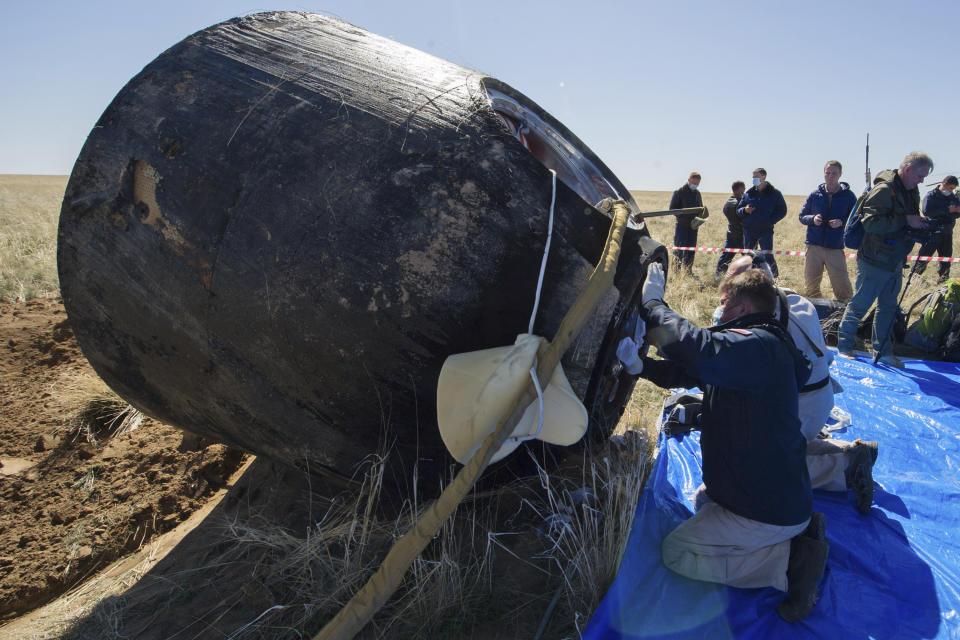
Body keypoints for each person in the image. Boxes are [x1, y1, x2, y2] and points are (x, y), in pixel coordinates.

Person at [617, 264, 827, 622]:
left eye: (724, 302)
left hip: (769, 510)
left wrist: (653, 305)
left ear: (743, 308)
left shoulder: (758, 348)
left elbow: (696, 349)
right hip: (769, 495)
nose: (718, 309)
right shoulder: (756, 350)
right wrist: (642, 368)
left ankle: (791, 562)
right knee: (701, 502)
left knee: (678, 552)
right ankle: (792, 532)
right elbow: (691, 369)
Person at [726, 255, 878, 514]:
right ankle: (850, 451)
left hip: (801, 406)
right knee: (784, 441)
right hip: (819, 398)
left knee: (756, 467)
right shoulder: (794, 299)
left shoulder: (762, 318)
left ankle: (844, 469)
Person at [837, 152, 934, 368]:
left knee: (888, 307)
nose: (921, 181)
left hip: (895, 259)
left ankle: (883, 350)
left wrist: (918, 224)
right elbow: (870, 224)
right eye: (920, 175)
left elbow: (905, 218)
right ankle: (845, 346)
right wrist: (905, 220)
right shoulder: (883, 190)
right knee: (861, 304)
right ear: (908, 169)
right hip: (874, 259)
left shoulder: (909, 191)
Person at [798, 161, 857, 301]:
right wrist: (812, 219)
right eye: (827, 173)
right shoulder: (815, 194)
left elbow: (855, 219)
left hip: (835, 247)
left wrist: (841, 222)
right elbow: (801, 216)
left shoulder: (848, 196)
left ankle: (845, 315)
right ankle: (814, 315)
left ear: (840, 175)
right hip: (813, 247)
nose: (830, 176)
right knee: (811, 287)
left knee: (842, 287)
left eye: (834, 173)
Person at [737, 168, 788, 278]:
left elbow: (782, 210)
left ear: (764, 177)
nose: (754, 179)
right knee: (748, 256)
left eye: (756, 177)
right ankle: (747, 278)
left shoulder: (774, 193)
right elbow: (738, 210)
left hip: (765, 230)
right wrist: (745, 210)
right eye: (753, 177)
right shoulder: (748, 194)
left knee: (768, 255)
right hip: (749, 230)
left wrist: (770, 221)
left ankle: (774, 279)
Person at [917, 175, 960, 282]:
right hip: (933, 232)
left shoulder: (952, 197)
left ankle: (944, 279)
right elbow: (927, 211)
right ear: (944, 184)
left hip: (947, 232)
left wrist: (956, 211)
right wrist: (947, 210)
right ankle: (915, 277)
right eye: (951, 188)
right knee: (924, 256)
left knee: (946, 257)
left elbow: (956, 212)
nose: (951, 191)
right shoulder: (931, 196)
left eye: (953, 189)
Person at [670, 172, 704, 271]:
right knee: (679, 249)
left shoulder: (697, 194)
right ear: (689, 180)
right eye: (694, 183)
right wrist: (684, 215)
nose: (695, 185)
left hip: (693, 227)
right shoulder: (679, 192)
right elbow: (672, 209)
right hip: (681, 226)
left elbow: (700, 208)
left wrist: (700, 218)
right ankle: (676, 270)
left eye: (697, 184)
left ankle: (688, 270)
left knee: (691, 250)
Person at [715, 181, 746, 277]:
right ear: (740, 189)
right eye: (743, 189)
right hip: (742, 235)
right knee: (749, 258)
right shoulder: (740, 203)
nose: (744, 191)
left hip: (731, 232)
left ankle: (718, 277)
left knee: (725, 258)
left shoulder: (728, 201)